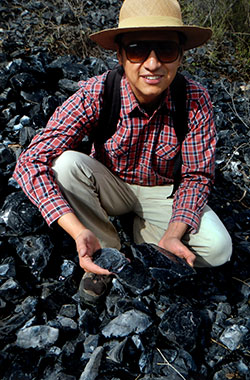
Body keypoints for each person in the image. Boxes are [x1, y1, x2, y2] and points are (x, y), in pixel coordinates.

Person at [13, 0, 232, 303]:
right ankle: (104, 251)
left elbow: (196, 176)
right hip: (110, 185)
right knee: (66, 165)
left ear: (181, 56)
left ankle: (149, 239)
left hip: (163, 192)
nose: (153, 64)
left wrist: (174, 232)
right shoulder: (97, 93)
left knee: (219, 248)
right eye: (138, 49)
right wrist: (77, 230)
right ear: (120, 55)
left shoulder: (194, 99)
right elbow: (30, 160)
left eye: (166, 50)